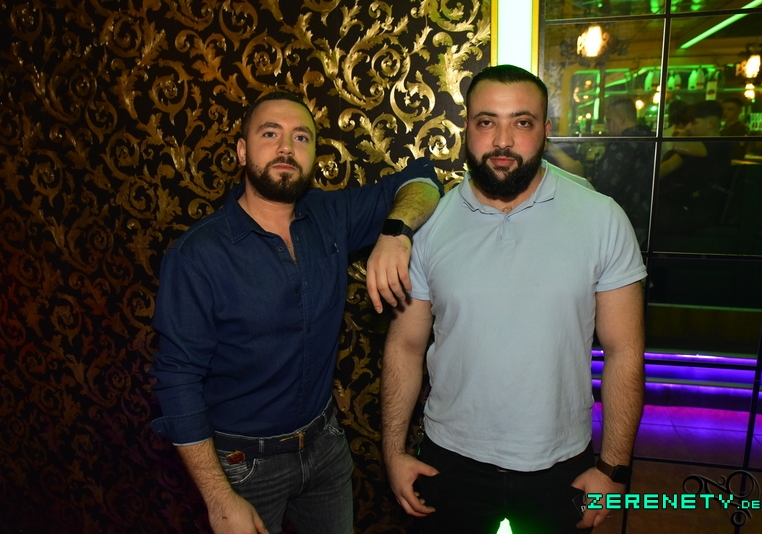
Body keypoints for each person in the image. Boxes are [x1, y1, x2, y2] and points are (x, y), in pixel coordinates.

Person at [150, 91, 442, 534]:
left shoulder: (329, 214)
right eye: (270, 134)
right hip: (243, 466)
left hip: (325, 447)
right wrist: (219, 499)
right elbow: (176, 381)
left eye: (301, 137)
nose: (286, 147)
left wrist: (395, 233)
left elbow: (422, 178)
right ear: (242, 151)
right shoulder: (198, 254)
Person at [381, 65, 646, 534]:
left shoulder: (601, 218)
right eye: (487, 122)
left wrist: (612, 469)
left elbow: (625, 350)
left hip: (561, 463)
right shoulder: (430, 225)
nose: (502, 140)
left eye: (522, 122)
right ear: (467, 129)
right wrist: (393, 452)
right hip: (449, 460)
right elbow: (405, 346)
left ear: (545, 130)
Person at [657, 100, 734, 235]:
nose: (688, 127)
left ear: (710, 123)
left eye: (694, 123)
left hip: (698, 210)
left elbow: (679, 146)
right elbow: (668, 166)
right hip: (680, 204)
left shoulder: (721, 144)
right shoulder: (694, 148)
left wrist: (682, 136)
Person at [589, 97, 655, 246]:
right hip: (646, 215)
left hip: (623, 216)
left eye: (609, 120)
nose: (607, 125)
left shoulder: (622, 144)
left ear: (622, 118)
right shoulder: (651, 140)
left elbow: (607, 184)